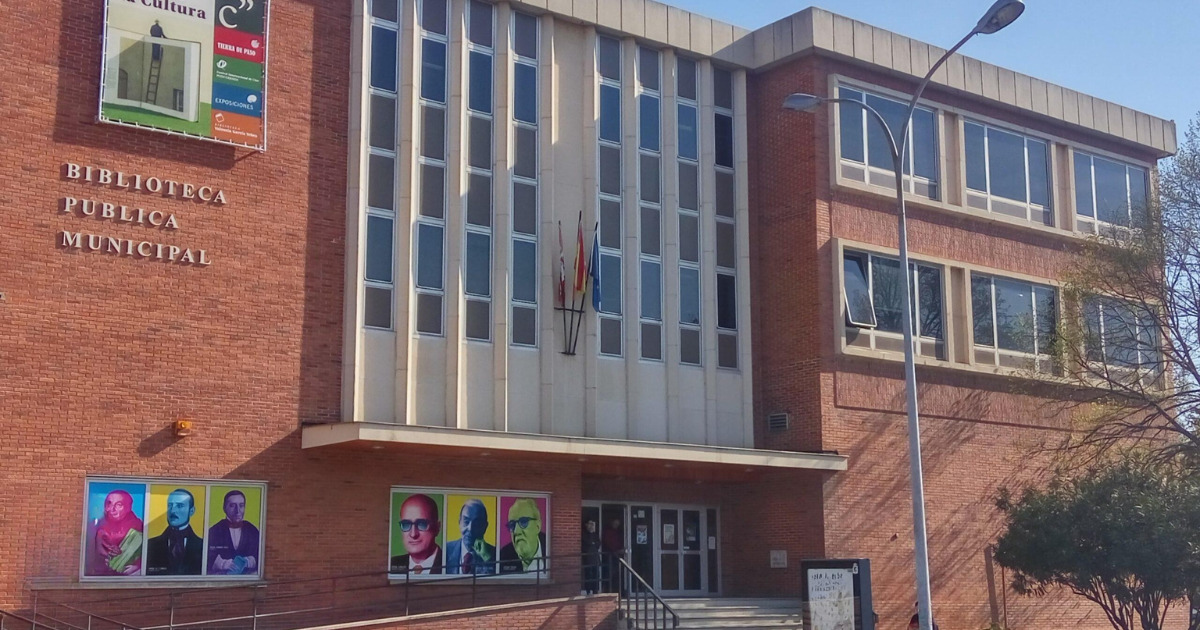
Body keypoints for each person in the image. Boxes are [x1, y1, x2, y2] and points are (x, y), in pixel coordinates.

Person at [86, 489, 144, 576]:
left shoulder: (139, 528)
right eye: (109, 504)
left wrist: (139, 568)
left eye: (118, 505)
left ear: (128, 508)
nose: (112, 509)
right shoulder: (97, 527)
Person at [146, 489, 203, 576]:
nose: (172, 511)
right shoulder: (151, 544)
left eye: (180, 506)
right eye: (170, 505)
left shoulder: (202, 545)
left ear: (191, 511)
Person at [207, 490, 260, 575]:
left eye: (241, 506)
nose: (237, 511)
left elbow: (261, 555)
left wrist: (251, 561)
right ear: (224, 508)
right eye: (232, 506)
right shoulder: (214, 531)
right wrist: (221, 564)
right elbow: (206, 556)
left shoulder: (253, 530)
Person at [389, 494, 444, 575]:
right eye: (406, 524)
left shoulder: (451, 564)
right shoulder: (393, 564)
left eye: (421, 524)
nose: (413, 534)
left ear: (437, 527)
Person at [445, 499, 496, 574]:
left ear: (485, 527)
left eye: (477, 523)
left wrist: (487, 558)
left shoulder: (495, 554)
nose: (470, 528)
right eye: (466, 522)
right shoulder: (445, 550)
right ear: (459, 522)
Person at [498, 498, 546, 575]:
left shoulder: (550, 546)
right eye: (512, 525)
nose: (516, 531)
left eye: (523, 522)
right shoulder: (504, 556)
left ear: (538, 526)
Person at [601, 517, 624, 593]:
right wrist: (617, 551)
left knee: (617, 574)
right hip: (609, 556)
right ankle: (607, 590)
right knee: (609, 574)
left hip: (616, 556)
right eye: (615, 524)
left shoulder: (618, 532)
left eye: (618, 524)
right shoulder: (608, 532)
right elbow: (608, 543)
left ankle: (617, 591)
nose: (616, 525)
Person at [580, 519, 602, 594]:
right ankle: (588, 590)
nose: (591, 526)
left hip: (595, 557)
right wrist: (592, 543)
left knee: (596, 575)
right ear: (586, 525)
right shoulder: (584, 534)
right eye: (590, 524)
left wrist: (593, 543)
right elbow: (586, 543)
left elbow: (598, 544)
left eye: (592, 524)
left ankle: (595, 590)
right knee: (588, 574)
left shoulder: (595, 534)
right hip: (587, 558)